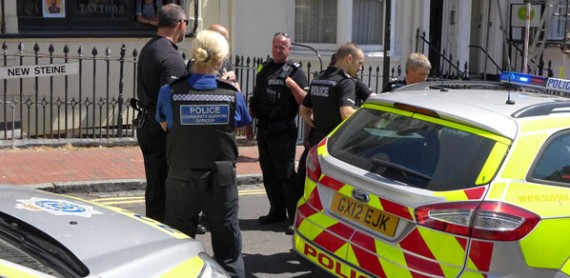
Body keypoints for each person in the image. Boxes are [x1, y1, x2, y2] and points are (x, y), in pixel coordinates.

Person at [156, 29, 250, 278]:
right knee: (228, 252)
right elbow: (240, 123)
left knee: (178, 250)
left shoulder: (169, 92)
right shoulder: (231, 94)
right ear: (220, 60)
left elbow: (165, 125)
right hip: (221, 178)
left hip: (181, 176)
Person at [294, 44, 364, 235]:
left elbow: (303, 110)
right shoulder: (345, 82)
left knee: (310, 187)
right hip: (336, 149)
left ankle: (304, 225)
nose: (360, 67)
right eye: (359, 63)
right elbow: (346, 112)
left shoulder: (319, 80)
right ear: (349, 59)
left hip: (317, 144)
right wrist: (367, 118)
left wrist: (314, 123)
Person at [249, 32, 308, 232]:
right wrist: (249, 123)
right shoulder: (264, 68)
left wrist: (292, 85)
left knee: (286, 175)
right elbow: (256, 98)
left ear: (289, 49)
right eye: (275, 46)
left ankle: (294, 217)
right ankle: (276, 211)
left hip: (283, 130)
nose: (278, 49)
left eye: (282, 47)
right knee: (269, 173)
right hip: (264, 129)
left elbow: (305, 101)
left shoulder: (296, 72)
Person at [135, 3, 187, 225]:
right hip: (160, 130)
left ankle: (154, 225)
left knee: (155, 183)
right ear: (180, 24)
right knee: (163, 187)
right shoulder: (170, 56)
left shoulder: (150, 47)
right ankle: (160, 232)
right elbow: (171, 101)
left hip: (146, 124)